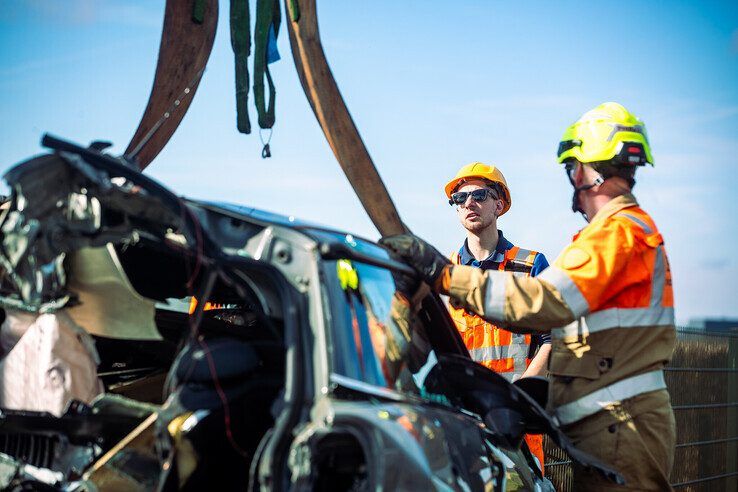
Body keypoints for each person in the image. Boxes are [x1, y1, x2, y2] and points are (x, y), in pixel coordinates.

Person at [382, 102, 676, 490]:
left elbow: (546, 303)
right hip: (603, 425)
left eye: (573, 168)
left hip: (619, 425)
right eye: (461, 197)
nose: (573, 179)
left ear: (587, 170)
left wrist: (445, 275)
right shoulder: (623, 233)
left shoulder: (615, 235)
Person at [444, 162, 550, 470]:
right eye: (460, 198)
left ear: (499, 204)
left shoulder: (530, 265)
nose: (469, 203)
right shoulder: (446, 272)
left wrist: (521, 397)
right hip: (463, 422)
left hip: (515, 424)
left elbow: (553, 337)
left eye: (479, 195)